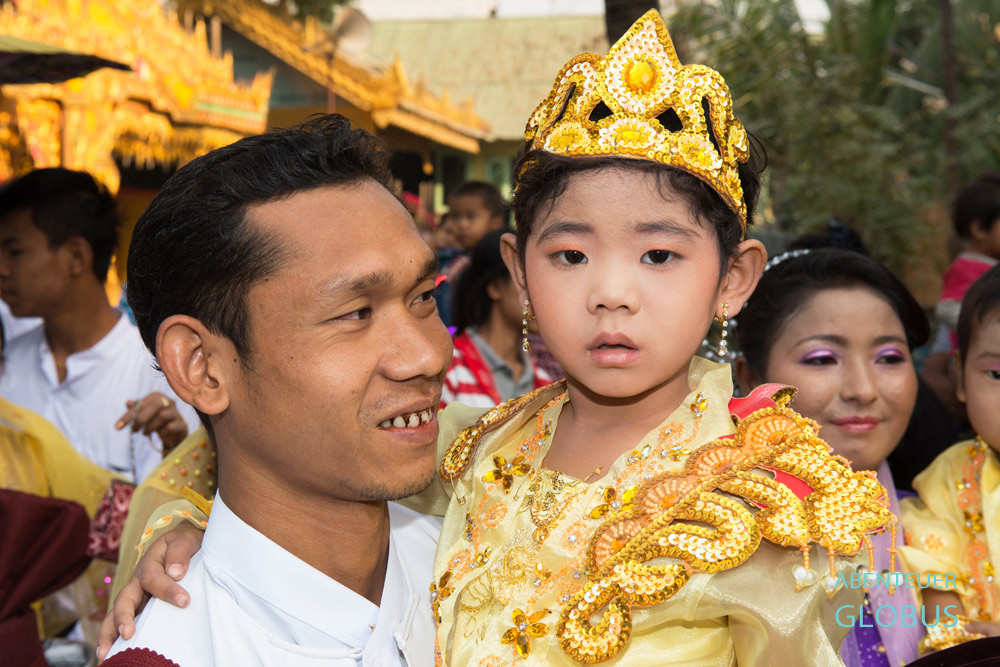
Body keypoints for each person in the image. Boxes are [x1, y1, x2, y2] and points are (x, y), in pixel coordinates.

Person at [102, 12, 898, 666]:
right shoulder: (483, 451)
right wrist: (181, 529)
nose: (613, 292)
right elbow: (242, 464)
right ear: (518, 271)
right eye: (571, 254)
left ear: (733, 277)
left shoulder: (771, 498)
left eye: (659, 255)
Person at [100, 115, 450, 666]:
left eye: (424, 296)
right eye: (355, 313)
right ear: (202, 367)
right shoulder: (176, 653)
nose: (428, 355)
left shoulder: (487, 567)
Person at [733, 248, 930, 667]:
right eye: (823, 359)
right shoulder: (717, 542)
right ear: (750, 378)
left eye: (889, 358)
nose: (863, 389)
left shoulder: (950, 523)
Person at [0, 168, 197, 482]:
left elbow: (162, 512)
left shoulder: (157, 375)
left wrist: (174, 449)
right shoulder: (8, 363)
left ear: (76, 256)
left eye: (15, 252)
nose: (3, 269)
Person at [900, 264, 1000, 654]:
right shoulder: (951, 475)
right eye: (998, 373)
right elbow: (933, 567)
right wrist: (957, 640)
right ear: (960, 377)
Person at [442, 228, 552, 408]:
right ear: (495, 287)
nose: (543, 297)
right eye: (528, 280)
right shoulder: (447, 368)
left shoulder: (543, 384)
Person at [922, 175, 1000, 422]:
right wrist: (979, 324)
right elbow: (946, 307)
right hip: (970, 359)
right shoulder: (967, 268)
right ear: (979, 229)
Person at [434, 181, 508, 328]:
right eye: (456, 217)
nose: (462, 224)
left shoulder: (499, 265)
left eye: (471, 217)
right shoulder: (449, 257)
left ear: (496, 223)